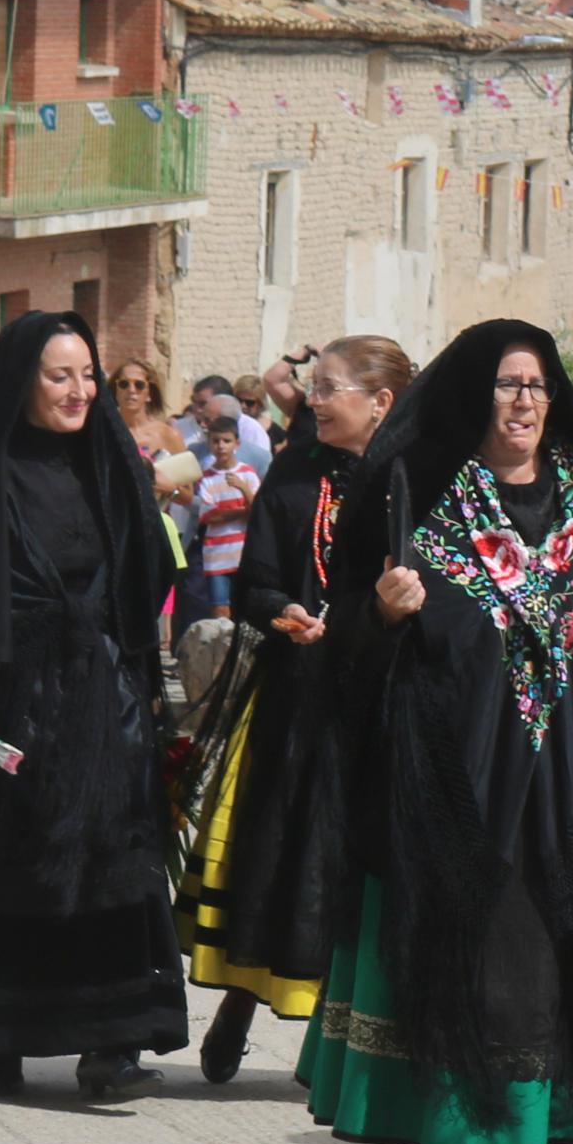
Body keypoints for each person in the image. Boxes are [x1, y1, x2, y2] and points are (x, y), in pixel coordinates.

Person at [305, 322, 573, 1144]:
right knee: (480, 953)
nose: (523, 402)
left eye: (537, 387)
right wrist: (386, 615)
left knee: (562, 949)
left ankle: (532, 1126)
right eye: (508, 385)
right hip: (460, 774)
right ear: (476, 395)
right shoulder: (424, 499)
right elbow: (347, 638)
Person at [0, 312, 185, 1099]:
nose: (81, 391)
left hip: (97, 693)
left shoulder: (105, 465)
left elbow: (146, 564)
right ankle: (5, 1030)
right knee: (12, 865)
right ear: (22, 383)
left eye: (87, 374)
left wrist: (129, 672)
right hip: (12, 691)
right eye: (61, 376)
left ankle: (109, 1041)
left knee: (107, 857)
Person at [186, 336, 412, 1084]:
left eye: (329, 389)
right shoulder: (290, 478)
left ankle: (342, 1038)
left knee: (360, 866)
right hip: (299, 698)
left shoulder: (419, 483)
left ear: (380, 402)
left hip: (386, 700)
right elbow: (251, 584)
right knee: (283, 858)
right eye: (312, 387)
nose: (311, 401)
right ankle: (240, 1006)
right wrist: (283, 609)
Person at [181, 375, 267, 629]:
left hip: (244, 549)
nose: (203, 423)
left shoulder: (257, 459)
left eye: (209, 419)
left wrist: (241, 503)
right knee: (206, 605)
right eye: (213, 437)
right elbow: (208, 513)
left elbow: (261, 508)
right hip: (206, 545)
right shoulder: (196, 453)